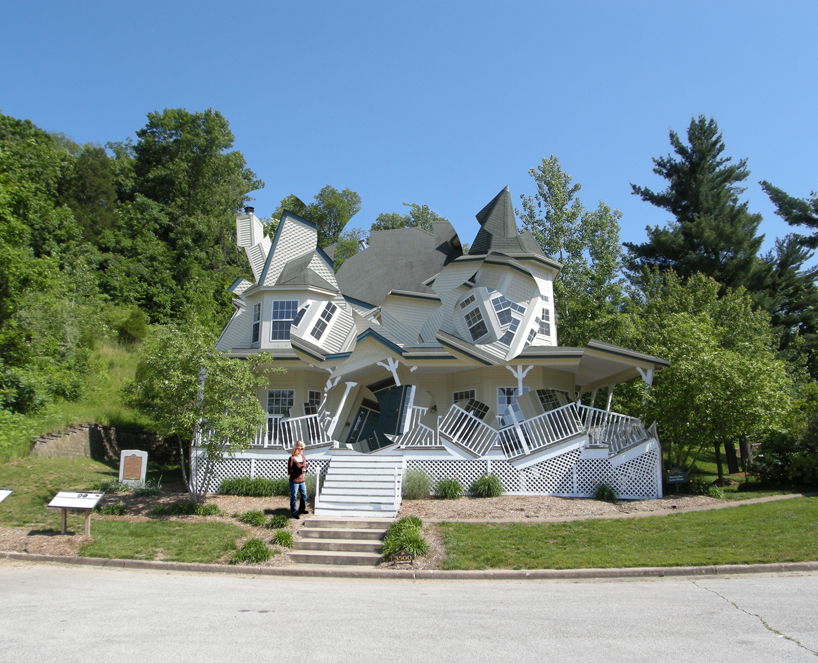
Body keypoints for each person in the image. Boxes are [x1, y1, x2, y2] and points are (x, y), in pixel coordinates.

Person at [287, 440, 308, 519]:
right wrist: (300, 470)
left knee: (304, 495)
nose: (302, 450)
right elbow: (289, 471)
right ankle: (294, 512)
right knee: (294, 497)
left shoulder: (303, 457)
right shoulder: (292, 458)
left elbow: (304, 466)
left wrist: (305, 469)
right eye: (301, 448)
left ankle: (302, 509)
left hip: (302, 480)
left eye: (303, 449)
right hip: (294, 481)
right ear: (296, 449)